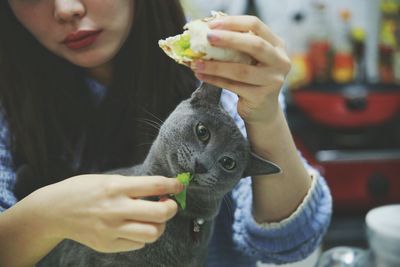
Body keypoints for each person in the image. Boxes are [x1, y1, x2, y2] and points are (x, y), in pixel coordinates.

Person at [0, 1, 332, 267]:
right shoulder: (9, 101)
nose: (66, 8)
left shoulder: (215, 71)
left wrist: (267, 114)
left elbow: (287, 243)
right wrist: (47, 215)